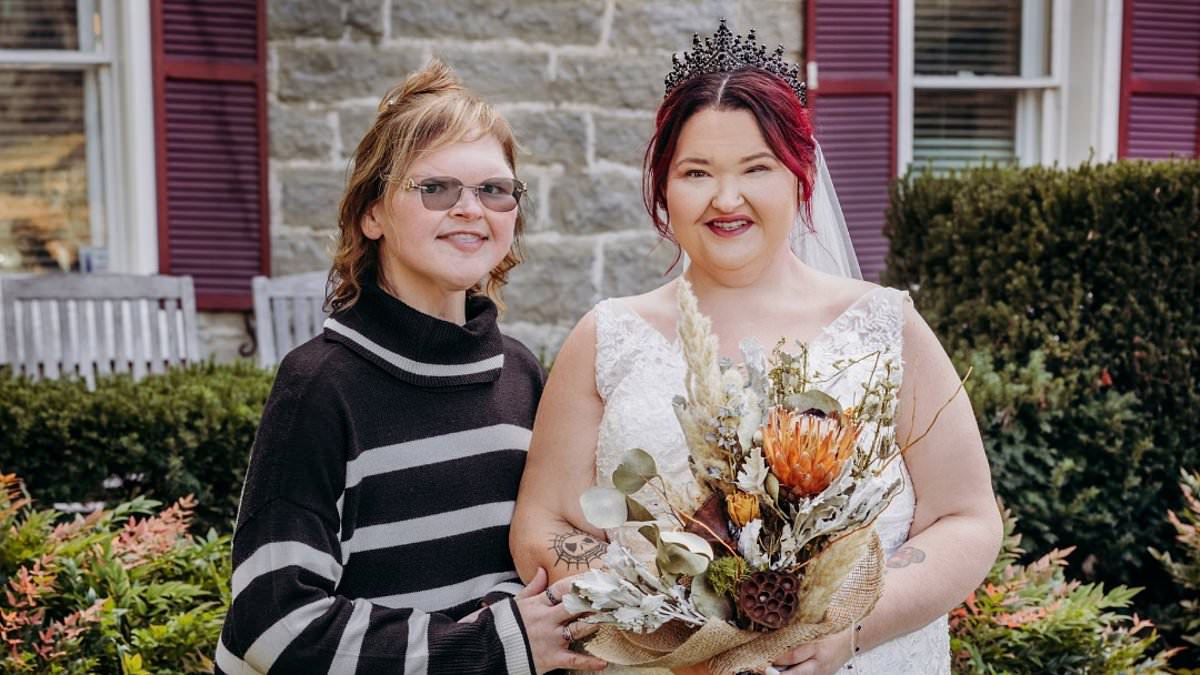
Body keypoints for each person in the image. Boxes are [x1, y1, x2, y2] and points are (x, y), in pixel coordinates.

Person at [510, 21, 1002, 675]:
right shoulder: (604, 338)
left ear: (799, 177)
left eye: (755, 168)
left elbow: (967, 518)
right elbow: (543, 523)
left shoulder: (887, 327)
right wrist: (663, 610)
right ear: (662, 187)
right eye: (696, 172)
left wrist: (852, 625)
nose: (726, 197)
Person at [215, 59, 606, 675]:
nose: (470, 209)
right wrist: (489, 647)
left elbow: (547, 563)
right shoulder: (320, 386)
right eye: (436, 188)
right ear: (372, 214)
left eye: (494, 190)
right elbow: (274, 622)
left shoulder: (520, 374)